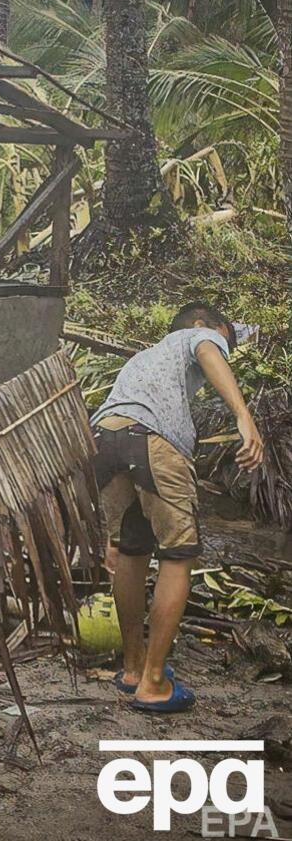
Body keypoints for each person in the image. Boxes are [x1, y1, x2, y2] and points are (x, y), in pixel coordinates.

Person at [92, 302, 264, 713]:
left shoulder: (142, 359)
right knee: (178, 556)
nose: (226, 350)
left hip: (105, 437)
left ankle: (133, 669)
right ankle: (153, 683)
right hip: (152, 438)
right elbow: (208, 349)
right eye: (228, 339)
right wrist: (244, 417)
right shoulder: (197, 335)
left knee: (131, 551)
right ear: (206, 325)